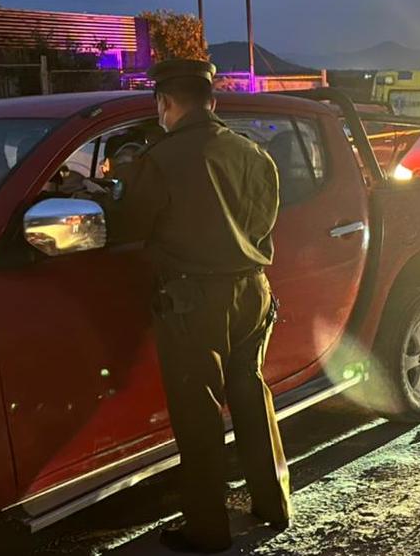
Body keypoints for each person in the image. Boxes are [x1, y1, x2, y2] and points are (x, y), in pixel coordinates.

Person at [104, 59, 288, 554]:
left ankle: (207, 529)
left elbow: (129, 228)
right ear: (213, 101)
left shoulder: (160, 160)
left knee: (199, 415)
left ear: (165, 104)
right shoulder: (253, 153)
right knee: (252, 396)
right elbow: (263, 222)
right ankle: (274, 505)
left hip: (191, 302)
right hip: (253, 291)